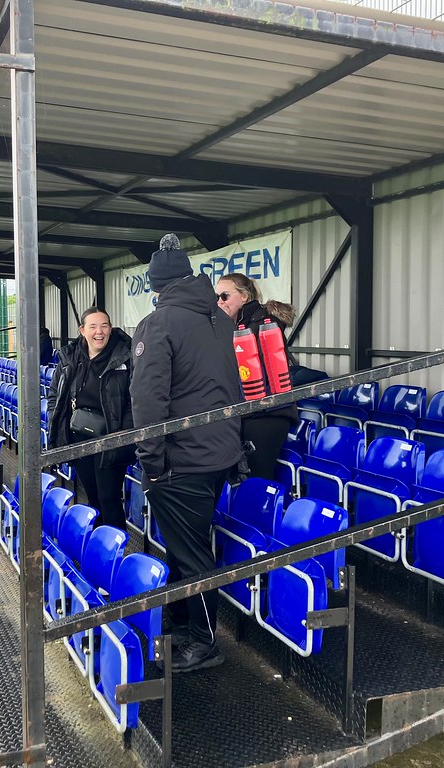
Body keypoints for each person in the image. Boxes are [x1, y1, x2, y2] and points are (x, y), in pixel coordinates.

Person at [130, 233, 243, 673]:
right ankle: (179, 622)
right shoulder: (219, 319)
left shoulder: (157, 324)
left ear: (157, 286)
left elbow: (148, 402)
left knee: (192, 555)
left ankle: (205, 642)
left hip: (182, 459)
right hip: (219, 454)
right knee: (184, 546)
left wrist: (152, 463)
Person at [47, 308, 134, 529]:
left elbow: (135, 400)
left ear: (111, 328)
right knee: (93, 496)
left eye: (104, 326)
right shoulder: (70, 357)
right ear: (82, 330)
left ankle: (115, 546)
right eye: (93, 326)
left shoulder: (125, 356)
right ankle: (98, 542)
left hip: (111, 438)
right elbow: (55, 395)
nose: (99, 332)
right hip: (79, 436)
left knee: (109, 498)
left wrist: (123, 434)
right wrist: (56, 425)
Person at [215, 273, 299, 482]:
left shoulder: (265, 323)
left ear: (244, 296)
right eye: (216, 297)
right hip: (245, 413)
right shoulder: (232, 326)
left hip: (268, 414)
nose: (219, 302)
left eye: (225, 296)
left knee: (258, 478)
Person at [263, 299, 330, 387]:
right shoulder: (273, 331)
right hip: (275, 377)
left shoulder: (263, 327)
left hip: (271, 375)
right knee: (318, 375)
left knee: (302, 370)